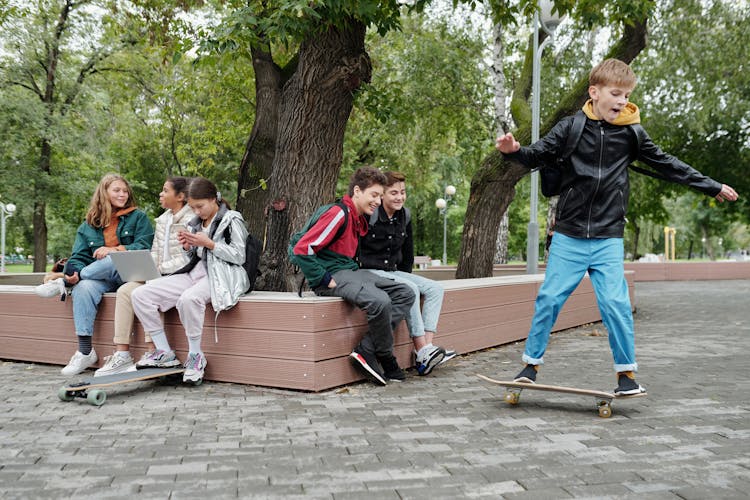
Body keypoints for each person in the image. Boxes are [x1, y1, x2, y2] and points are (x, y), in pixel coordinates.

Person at [495, 58, 739, 395]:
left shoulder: (632, 134)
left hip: (608, 236)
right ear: (594, 92)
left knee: (616, 305)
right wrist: (514, 150)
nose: (623, 101)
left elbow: (668, 165)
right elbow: (538, 154)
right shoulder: (570, 127)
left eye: (626, 95)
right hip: (569, 234)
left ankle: (626, 375)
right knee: (549, 299)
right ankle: (529, 366)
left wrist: (709, 185)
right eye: (616, 93)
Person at [291, 167, 415, 386]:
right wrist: (323, 279)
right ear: (357, 191)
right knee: (380, 301)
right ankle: (386, 357)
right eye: (374, 195)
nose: (378, 201)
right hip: (333, 275)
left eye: (379, 195)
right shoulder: (338, 213)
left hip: (351, 272)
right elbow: (302, 248)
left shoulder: (357, 217)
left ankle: (366, 348)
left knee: (405, 292)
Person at [131, 177, 249, 383]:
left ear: (214, 199)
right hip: (193, 273)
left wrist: (210, 244)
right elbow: (194, 257)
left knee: (188, 299)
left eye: (200, 206)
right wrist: (188, 248)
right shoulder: (195, 223)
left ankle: (196, 356)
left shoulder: (232, 219)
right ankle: (164, 352)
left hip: (220, 276)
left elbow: (240, 256)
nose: (196, 212)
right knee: (140, 294)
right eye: (193, 207)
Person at [35, 173, 154, 375]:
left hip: (130, 274)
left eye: (125, 191)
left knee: (111, 258)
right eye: (117, 190)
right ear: (104, 193)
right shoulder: (89, 224)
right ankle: (85, 352)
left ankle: (64, 282)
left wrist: (115, 249)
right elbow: (78, 256)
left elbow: (145, 246)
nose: (123, 194)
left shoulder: (138, 217)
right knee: (83, 287)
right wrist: (73, 271)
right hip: (101, 277)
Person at [357, 171, 457, 376]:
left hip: (392, 271)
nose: (399, 197)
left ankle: (425, 351)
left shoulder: (405, 215)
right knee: (408, 288)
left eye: (402, 192)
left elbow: (407, 255)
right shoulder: (371, 215)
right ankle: (422, 350)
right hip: (368, 271)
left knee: (435, 288)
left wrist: (404, 276)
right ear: (382, 195)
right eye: (393, 193)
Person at [94, 176, 194, 376]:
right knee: (124, 291)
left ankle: (154, 352)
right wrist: (152, 268)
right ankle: (122, 354)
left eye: (165, 190)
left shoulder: (193, 219)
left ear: (181, 196)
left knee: (150, 290)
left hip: (179, 275)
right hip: (158, 273)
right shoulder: (163, 219)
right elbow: (155, 251)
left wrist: (159, 272)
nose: (161, 194)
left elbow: (188, 259)